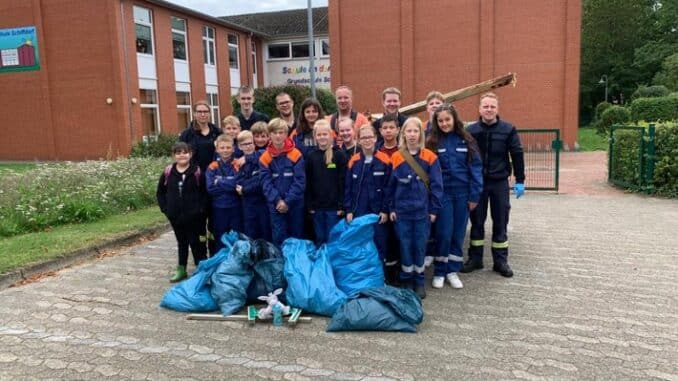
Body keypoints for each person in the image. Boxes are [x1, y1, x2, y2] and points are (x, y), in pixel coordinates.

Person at [462, 92, 525, 278]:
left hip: (499, 182)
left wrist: (520, 180)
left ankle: (500, 261)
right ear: (480, 109)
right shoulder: (471, 131)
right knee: (477, 222)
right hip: (478, 183)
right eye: (486, 107)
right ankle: (475, 259)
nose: (489, 110)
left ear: (497, 109)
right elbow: (465, 158)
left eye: (492, 107)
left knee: (500, 221)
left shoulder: (508, 129)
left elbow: (517, 154)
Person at [426, 104, 483, 289]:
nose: (444, 123)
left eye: (447, 120)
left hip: (463, 194)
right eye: (440, 120)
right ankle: (440, 271)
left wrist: (474, 196)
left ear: (454, 119)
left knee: (458, 233)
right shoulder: (432, 142)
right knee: (443, 233)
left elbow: (475, 168)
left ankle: (452, 271)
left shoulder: (467, 140)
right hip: (443, 194)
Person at [388, 117, 443, 299]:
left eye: (415, 131)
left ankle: (419, 281)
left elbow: (437, 186)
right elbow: (391, 186)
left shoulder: (430, 157)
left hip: (422, 213)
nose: (412, 135)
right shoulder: (396, 157)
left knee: (419, 246)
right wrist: (392, 208)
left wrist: (434, 210)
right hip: (402, 213)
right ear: (403, 134)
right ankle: (406, 279)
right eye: (408, 131)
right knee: (404, 245)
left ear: (421, 133)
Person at [344, 124, 392, 281]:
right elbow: (348, 188)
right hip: (359, 211)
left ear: (376, 138)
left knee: (380, 244)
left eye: (370, 137)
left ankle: (380, 278)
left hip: (378, 212)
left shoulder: (385, 160)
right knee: (361, 244)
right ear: (358, 140)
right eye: (363, 137)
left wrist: (385, 210)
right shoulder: (354, 161)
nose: (367, 140)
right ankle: (363, 277)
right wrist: (349, 210)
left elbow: (389, 188)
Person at [156, 142, 207, 282]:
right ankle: (181, 269)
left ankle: (201, 269)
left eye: (185, 152)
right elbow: (160, 192)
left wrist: (201, 210)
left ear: (190, 154)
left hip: (195, 217)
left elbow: (204, 193)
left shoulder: (197, 172)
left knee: (196, 243)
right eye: (178, 153)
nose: (182, 155)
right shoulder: (168, 172)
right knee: (182, 242)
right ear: (174, 155)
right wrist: (166, 209)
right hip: (176, 217)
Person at [179, 101, 222, 255]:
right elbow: (181, 157)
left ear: (209, 113)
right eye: (199, 111)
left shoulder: (217, 132)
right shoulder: (187, 134)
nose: (203, 114)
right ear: (194, 113)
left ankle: (214, 253)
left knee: (214, 222)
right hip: (196, 184)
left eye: (205, 111)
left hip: (214, 183)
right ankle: (200, 257)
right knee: (198, 223)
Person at [259, 118, 306, 247]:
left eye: (281, 132)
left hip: (295, 205)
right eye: (274, 133)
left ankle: (295, 265)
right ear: (269, 135)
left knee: (296, 238)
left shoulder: (296, 155)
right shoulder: (265, 157)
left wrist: (287, 201)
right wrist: (278, 201)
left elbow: (300, 182)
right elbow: (265, 183)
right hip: (275, 206)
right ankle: (280, 265)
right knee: (279, 239)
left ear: (286, 134)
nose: (278, 136)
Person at [305, 120, 347, 245]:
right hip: (317, 207)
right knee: (319, 236)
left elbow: (343, 181)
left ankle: (332, 262)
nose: (322, 137)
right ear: (315, 137)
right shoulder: (311, 156)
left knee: (332, 237)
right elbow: (308, 182)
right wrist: (310, 205)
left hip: (334, 207)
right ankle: (321, 262)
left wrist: (341, 205)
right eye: (319, 135)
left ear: (331, 135)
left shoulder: (339, 154)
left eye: (325, 134)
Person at [205, 134, 242, 249]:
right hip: (219, 208)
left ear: (233, 148)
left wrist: (220, 182)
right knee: (220, 236)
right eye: (222, 147)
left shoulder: (238, 164)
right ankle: (221, 262)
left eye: (228, 147)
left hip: (236, 206)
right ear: (217, 149)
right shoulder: (212, 166)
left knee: (237, 236)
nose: (225, 150)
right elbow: (210, 188)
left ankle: (236, 262)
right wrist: (230, 184)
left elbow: (239, 184)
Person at [235, 130, 271, 241]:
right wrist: (246, 186)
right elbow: (239, 182)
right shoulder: (238, 162)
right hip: (248, 204)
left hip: (263, 202)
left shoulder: (262, 155)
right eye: (245, 144)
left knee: (266, 233)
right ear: (239, 146)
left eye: (250, 143)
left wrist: (246, 188)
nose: (249, 146)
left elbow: (261, 180)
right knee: (251, 234)